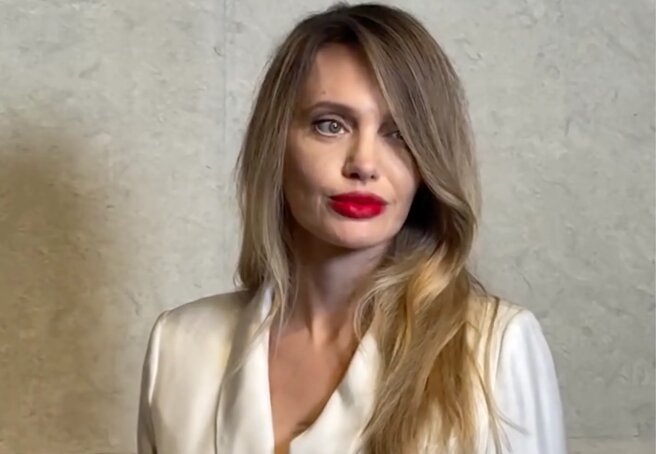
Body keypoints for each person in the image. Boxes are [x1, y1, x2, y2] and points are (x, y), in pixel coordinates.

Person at [137, 2, 566, 453]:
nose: (363, 163)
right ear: (276, 145)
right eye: (331, 125)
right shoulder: (179, 346)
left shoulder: (495, 350)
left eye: (399, 133)